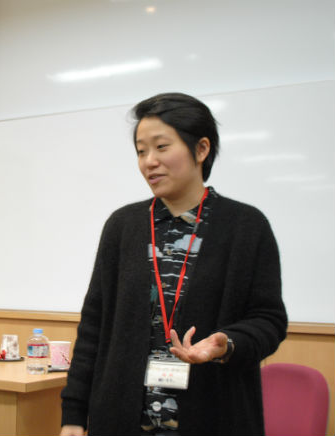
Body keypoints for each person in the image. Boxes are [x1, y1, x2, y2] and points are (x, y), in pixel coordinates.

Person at [60, 93, 287, 435]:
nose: (149, 161)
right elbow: (93, 325)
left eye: (161, 147)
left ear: (201, 149)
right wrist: (74, 417)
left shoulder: (246, 226)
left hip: (216, 414)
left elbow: (269, 319)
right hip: (122, 418)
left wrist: (226, 342)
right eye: (140, 150)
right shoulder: (123, 226)